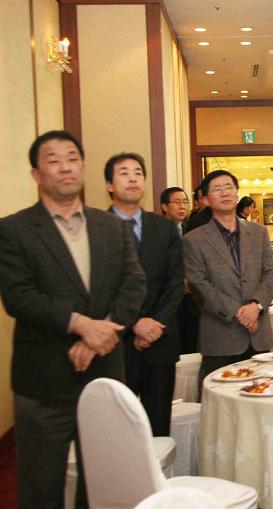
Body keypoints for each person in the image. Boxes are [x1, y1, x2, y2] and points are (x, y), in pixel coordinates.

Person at [0, 130, 145, 508]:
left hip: (104, 373)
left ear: (82, 167)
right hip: (44, 383)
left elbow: (133, 284)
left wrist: (103, 334)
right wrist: (81, 325)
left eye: (72, 158)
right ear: (36, 174)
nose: (65, 166)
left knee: (102, 486)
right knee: (41, 489)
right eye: (53, 160)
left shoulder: (111, 226)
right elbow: (19, 297)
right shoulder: (13, 230)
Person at [104, 152, 184, 436]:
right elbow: (99, 287)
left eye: (138, 172)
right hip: (116, 342)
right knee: (117, 427)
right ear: (110, 185)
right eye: (124, 173)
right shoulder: (95, 228)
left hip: (161, 340)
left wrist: (154, 323)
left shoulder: (164, 228)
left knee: (158, 424)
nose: (133, 178)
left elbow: (176, 282)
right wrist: (135, 323)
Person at [184, 169, 273, 382]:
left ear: (237, 194)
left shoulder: (259, 233)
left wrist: (256, 306)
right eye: (217, 189)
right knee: (220, 398)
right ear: (206, 200)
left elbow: (271, 274)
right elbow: (199, 285)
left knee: (263, 393)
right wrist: (239, 313)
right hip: (220, 338)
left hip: (259, 337)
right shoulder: (194, 240)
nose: (225, 193)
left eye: (229, 187)